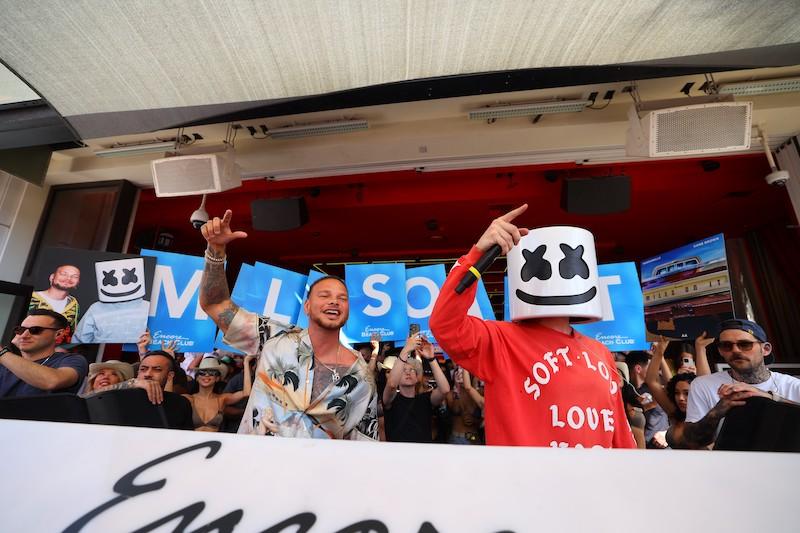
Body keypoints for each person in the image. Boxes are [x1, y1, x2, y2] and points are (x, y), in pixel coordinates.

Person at [430, 204, 635, 448]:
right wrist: (478, 254)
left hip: (594, 483)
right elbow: (445, 324)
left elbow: (618, 429)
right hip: (524, 483)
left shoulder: (600, 352)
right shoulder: (500, 341)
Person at [199, 209, 378, 440]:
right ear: (307, 306)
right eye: (324, 295)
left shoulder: (362, 375)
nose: (334, 300)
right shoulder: (273, 337)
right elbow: (214, 304)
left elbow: (365, 441)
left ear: (347, 310)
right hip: (256, 467)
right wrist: (215, 250)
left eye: (342, 298)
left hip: (317, 474)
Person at [674, 319, 800, 449]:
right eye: (727, 346)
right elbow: (691, 442)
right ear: (721, 351)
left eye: (745, 344)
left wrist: (767, 397)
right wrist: (716, 413)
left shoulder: (793, 385)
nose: (735, 350)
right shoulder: (703, 385)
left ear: (765, 349)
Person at [0, 310, 88, 397]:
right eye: (20, 330)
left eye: (35, 330)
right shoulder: (4, 363)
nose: (24, 335)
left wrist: (2, 353)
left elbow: (52, 381)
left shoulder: (71, 360)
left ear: (58, 334)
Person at [383, 335, 450, 443]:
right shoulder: (391, 399)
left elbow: (445, 389)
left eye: (412, 370)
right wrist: (406, 350)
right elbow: (391, 384)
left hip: (423, 456)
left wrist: (431, 359)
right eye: (403, 370)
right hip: (397, 456)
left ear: (418, 377)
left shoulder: (426, 399)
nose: (408, 372)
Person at [183, 355, 254, 432]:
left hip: (215, 442)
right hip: (192, 442)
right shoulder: (189, 399)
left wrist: (246, 363)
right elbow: (168, 399)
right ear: (197, 378)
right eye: (202, 373)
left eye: (212, 373)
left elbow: (246, 393)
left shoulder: (222, 399)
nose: (207, 375)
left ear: (217, 378)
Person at [626, 351, 670, 448]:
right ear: (638, 369)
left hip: (664, 445)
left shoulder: (654, 388)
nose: (654, 371)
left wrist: (660, 356)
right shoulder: (627, 392)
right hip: (643, 446)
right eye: (650, 367)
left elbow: (671, 385)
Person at [28, 264, 81, 341]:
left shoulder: (74, 304)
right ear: (52, 277)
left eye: (74, 276)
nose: (68, 278)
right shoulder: (31, 297)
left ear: (78, 282)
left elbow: (72, 333)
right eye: (63, 274)